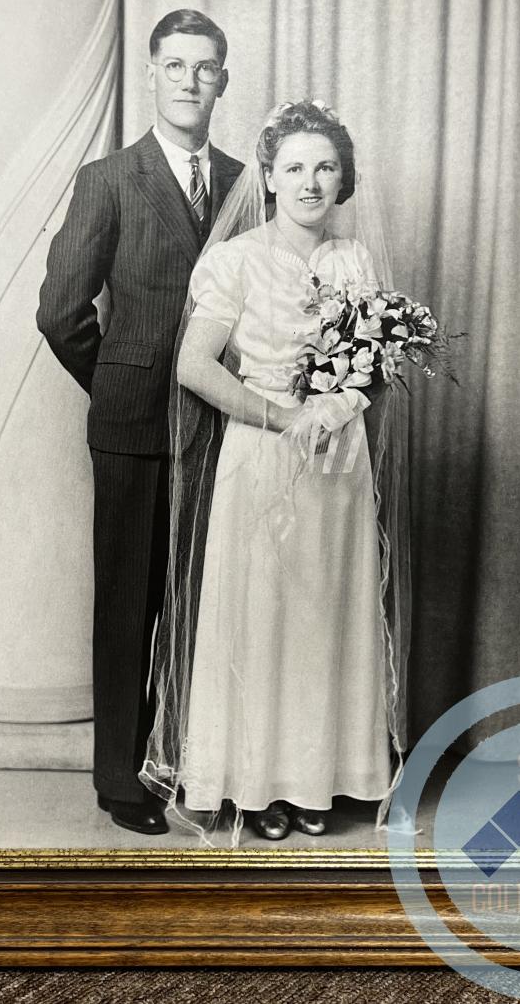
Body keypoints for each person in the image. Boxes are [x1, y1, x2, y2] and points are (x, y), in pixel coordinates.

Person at [140, 100, 413, 843]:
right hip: (262, 454)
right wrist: (288, 416)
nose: (310, 182)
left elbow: (379, 359)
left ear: (343, 178)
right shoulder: (235, 259)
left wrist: (346, 398)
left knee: (327, 610)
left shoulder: (353, 260)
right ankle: (259, 784)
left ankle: (319, 775)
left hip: (339, 465)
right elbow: (194, 366)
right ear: (266, 176)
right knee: (264, 612)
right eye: (293, 167)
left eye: (325, 167)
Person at [36, 9, 243, 836]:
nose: (190, 81)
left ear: (222, 81)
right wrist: (116, 382)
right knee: (129, 599)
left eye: (205, 67)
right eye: (175, 66)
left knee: (206, 595)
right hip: (131, 427)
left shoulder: (244, 178)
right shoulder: (109, 178)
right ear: (152, 76)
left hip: (225, 427)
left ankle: (195, 758)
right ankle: (121, 776)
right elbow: (60, 313)